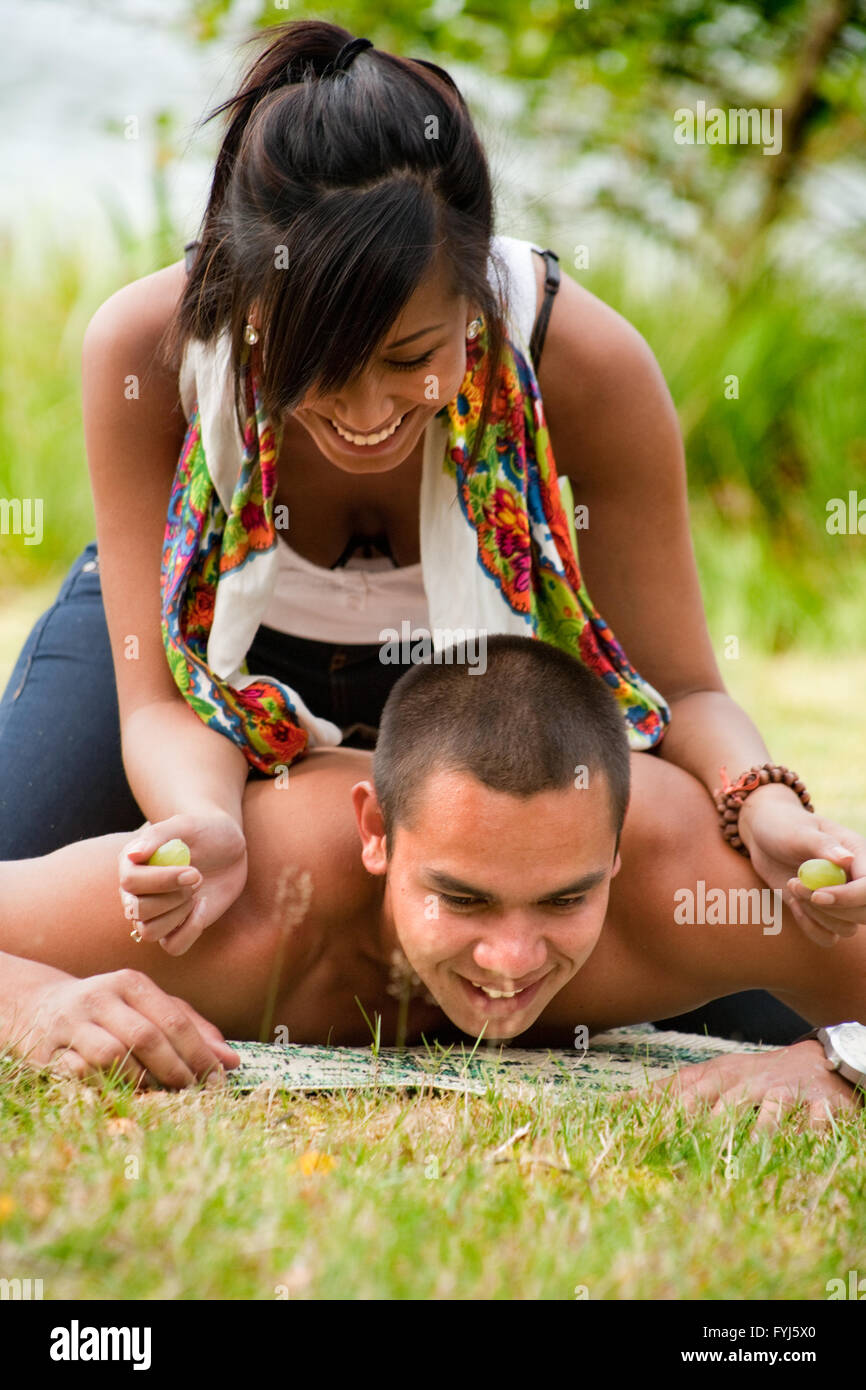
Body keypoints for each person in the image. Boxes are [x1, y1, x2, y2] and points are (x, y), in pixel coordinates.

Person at [1, 22, 863, 1044]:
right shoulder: (145, 347)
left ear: (473, 302)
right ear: (249, 314)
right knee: (70, 892)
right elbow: (158, 697)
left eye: (410, 354)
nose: (366, 411)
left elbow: (680, 688)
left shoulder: (584, 365)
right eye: (319, 365)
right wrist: (209, 822)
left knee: (737, 977)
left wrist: (755, 800)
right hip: (196, 657)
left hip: (472, 665)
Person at [1, 637, 864, 1129]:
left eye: (566, 898)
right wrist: (33, 1004)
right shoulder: (240, 905)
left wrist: (837, 1064)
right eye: (463, 897)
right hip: (214, 621)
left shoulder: (691, 891)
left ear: (614, 856)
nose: (511, 958)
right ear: (374, 833)